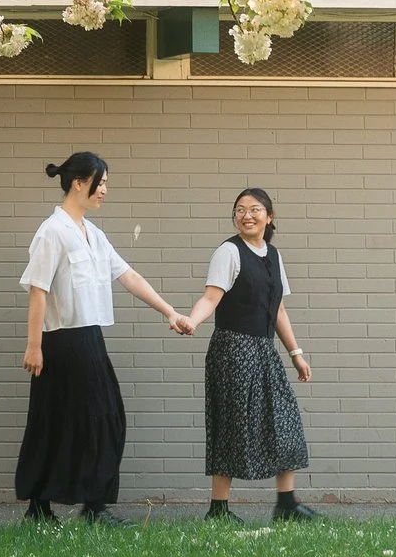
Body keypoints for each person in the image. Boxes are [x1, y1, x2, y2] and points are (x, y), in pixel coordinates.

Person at [17, 151, 193, 526]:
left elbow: (128, 276)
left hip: (89, 338)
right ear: (79, 183)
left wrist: (170, 312)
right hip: (61, 341)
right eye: (102, 182)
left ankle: (61, 506)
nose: (105, 191)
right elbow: (37, 291)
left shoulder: (92, 234)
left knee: (96, 419)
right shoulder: (53, 232)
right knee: (75, 420)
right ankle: (71, 507)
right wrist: (34, 345)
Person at [180, 186, 318, 522]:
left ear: (270, 217)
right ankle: (219, 510)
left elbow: (279, 310)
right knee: (231, 425)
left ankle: (286, 505)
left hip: (264, 350)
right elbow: (211, 298)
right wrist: (192, 321)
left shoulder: (273, 255)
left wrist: (296, 353)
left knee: (284, 422)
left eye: (255, 209)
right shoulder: (228, 252)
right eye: (240, 209)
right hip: (232, 350)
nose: (247, 215)